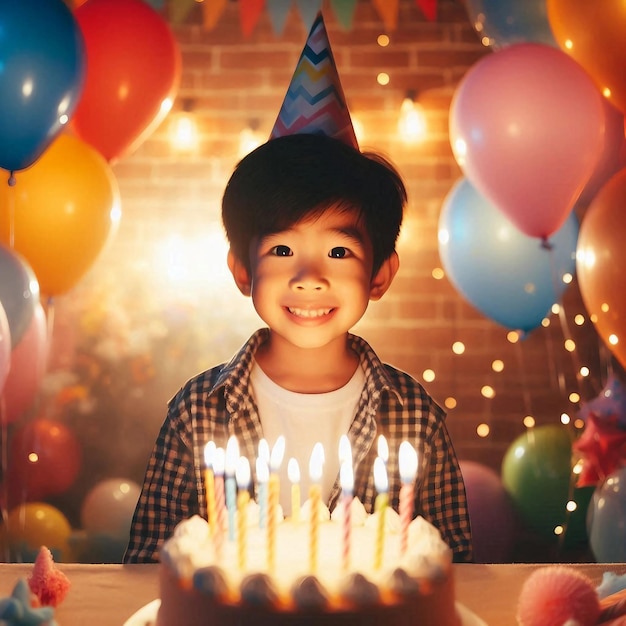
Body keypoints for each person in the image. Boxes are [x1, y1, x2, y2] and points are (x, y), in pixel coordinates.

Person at [124, 132, 473, 564]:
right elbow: (147, 566)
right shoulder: (196, 411)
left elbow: (453, 567)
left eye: (340, 250)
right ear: (242, 271)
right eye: (283, 249)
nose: (310, 277)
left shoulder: (414, 416)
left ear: (380, 274)